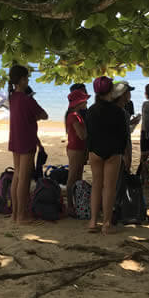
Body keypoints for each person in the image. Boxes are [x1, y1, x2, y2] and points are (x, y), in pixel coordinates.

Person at [85, 76, 129, 235]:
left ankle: (92, 221)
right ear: (111, 90)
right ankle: (106, 224)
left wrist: (90, 150)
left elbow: (89, 133)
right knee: (109, 187)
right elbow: (123, 135)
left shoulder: (91, 110)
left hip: (95, 151)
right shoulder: (118, 111)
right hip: (113, 151)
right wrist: (122, 152)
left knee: (96, 185)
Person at [7, 65, 48, 224]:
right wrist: (36, 117)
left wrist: (32, 117)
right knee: (24, 179)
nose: (28, 80)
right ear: (22, 80)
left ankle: (15, 214)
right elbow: (44, 114)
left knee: (17, 176)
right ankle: (21, 215)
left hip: (15, 138)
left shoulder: (12, 98)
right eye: (27, 78)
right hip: (27, 140)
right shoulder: (27, 99)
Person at [64, 88, 89, 216]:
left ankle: (77, 203)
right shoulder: (74, 116)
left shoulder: (76, 115)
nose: (86, 103)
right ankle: (70, 206)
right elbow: (82, 135)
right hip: (75, 149)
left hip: (78, 148)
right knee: (72, 177)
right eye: (84, 101)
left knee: (78, 177)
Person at [110, 81, 138, 170]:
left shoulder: (111, 109)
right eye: (128, 92)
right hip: (119, 153)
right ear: (122, 95)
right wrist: (127, 158)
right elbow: (124, 137)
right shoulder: (121, 113)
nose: (130, 95)